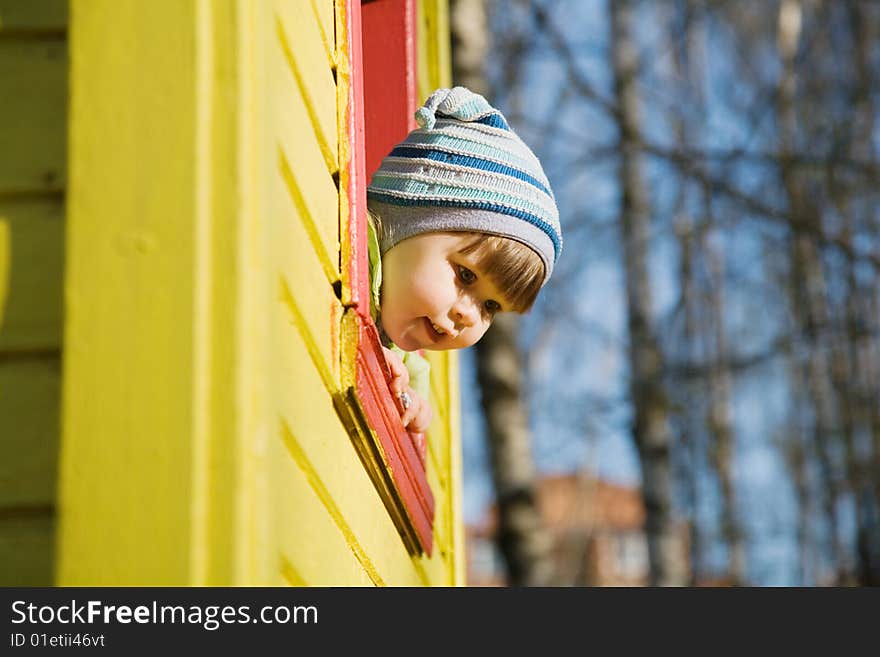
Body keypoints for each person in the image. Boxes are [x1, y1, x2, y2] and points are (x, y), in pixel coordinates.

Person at [366, 86, 562, 435]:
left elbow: (413, 375)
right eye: (465, 276)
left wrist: (410, 399)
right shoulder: (353, 247)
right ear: (402, 222)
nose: (468, 314)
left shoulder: (408, 356)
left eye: (490, 306)